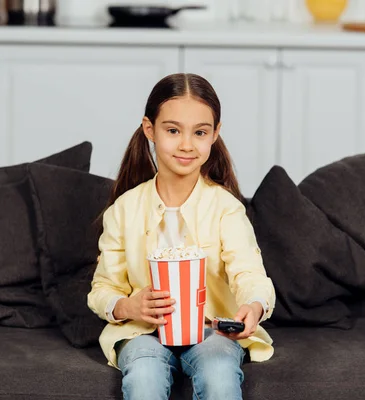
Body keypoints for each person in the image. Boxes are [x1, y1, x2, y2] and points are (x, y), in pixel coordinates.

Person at [87, 73, 275, 400]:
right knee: (144, 376)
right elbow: (103, 288)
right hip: (143, 332)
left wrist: (254, 306)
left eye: (200, 132)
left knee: (219, 373)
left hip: (211, 331)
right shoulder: (125, 210)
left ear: (215, 134)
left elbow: (250, 274)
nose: (187, 144)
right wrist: (127, 306)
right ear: (150, 130)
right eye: (173, 130)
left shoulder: (225, 209)